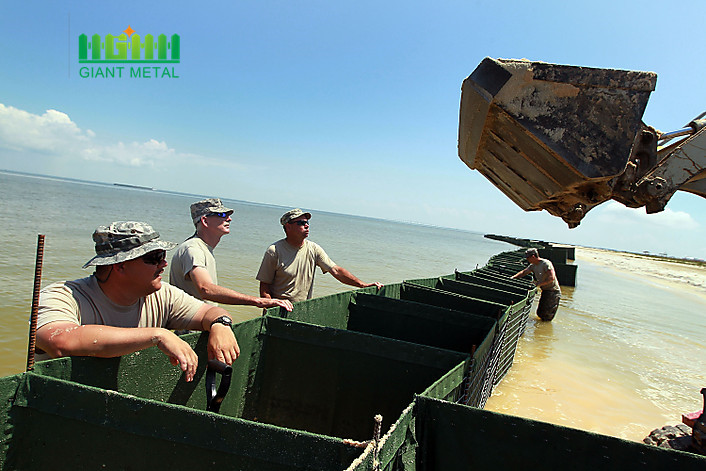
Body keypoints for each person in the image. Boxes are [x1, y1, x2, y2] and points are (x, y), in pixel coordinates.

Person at [36, 221, 241, 382]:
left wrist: (220, 325)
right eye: (153, 257)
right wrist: (157, 335)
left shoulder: (162, 295)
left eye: (162, 255)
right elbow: (61, 341)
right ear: (120, 266)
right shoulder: (63, 295)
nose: (164, 264)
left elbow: (209, 313)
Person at [169, 198, 293, 312]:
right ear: (205, 221)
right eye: (222, 215)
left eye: (228, 215)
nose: (229, 219)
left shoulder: (202, 248)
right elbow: (205, 289)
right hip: (190, 331)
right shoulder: (193, 249)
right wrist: (258, 301)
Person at [256, 208, 382, 303]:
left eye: (307, 222)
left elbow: (336, 271)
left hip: (302, 309)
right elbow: (264, 287)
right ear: (288, 227)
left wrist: (363, 285)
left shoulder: (314, 249)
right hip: (279, 311)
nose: (306, 225)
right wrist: (272, 307)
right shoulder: (274, 251)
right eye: (300, 223)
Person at [511, 248, 561, 321]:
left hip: (553, 292)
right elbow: (524, 272)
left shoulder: (546, 264)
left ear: (533, 256)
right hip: (545, 291)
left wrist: (538, 284)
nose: (527, 259)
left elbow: (551, 278)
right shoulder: (533, 265)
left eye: (528, 257)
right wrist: (513, 277)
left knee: (547, 315)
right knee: (540, 313)